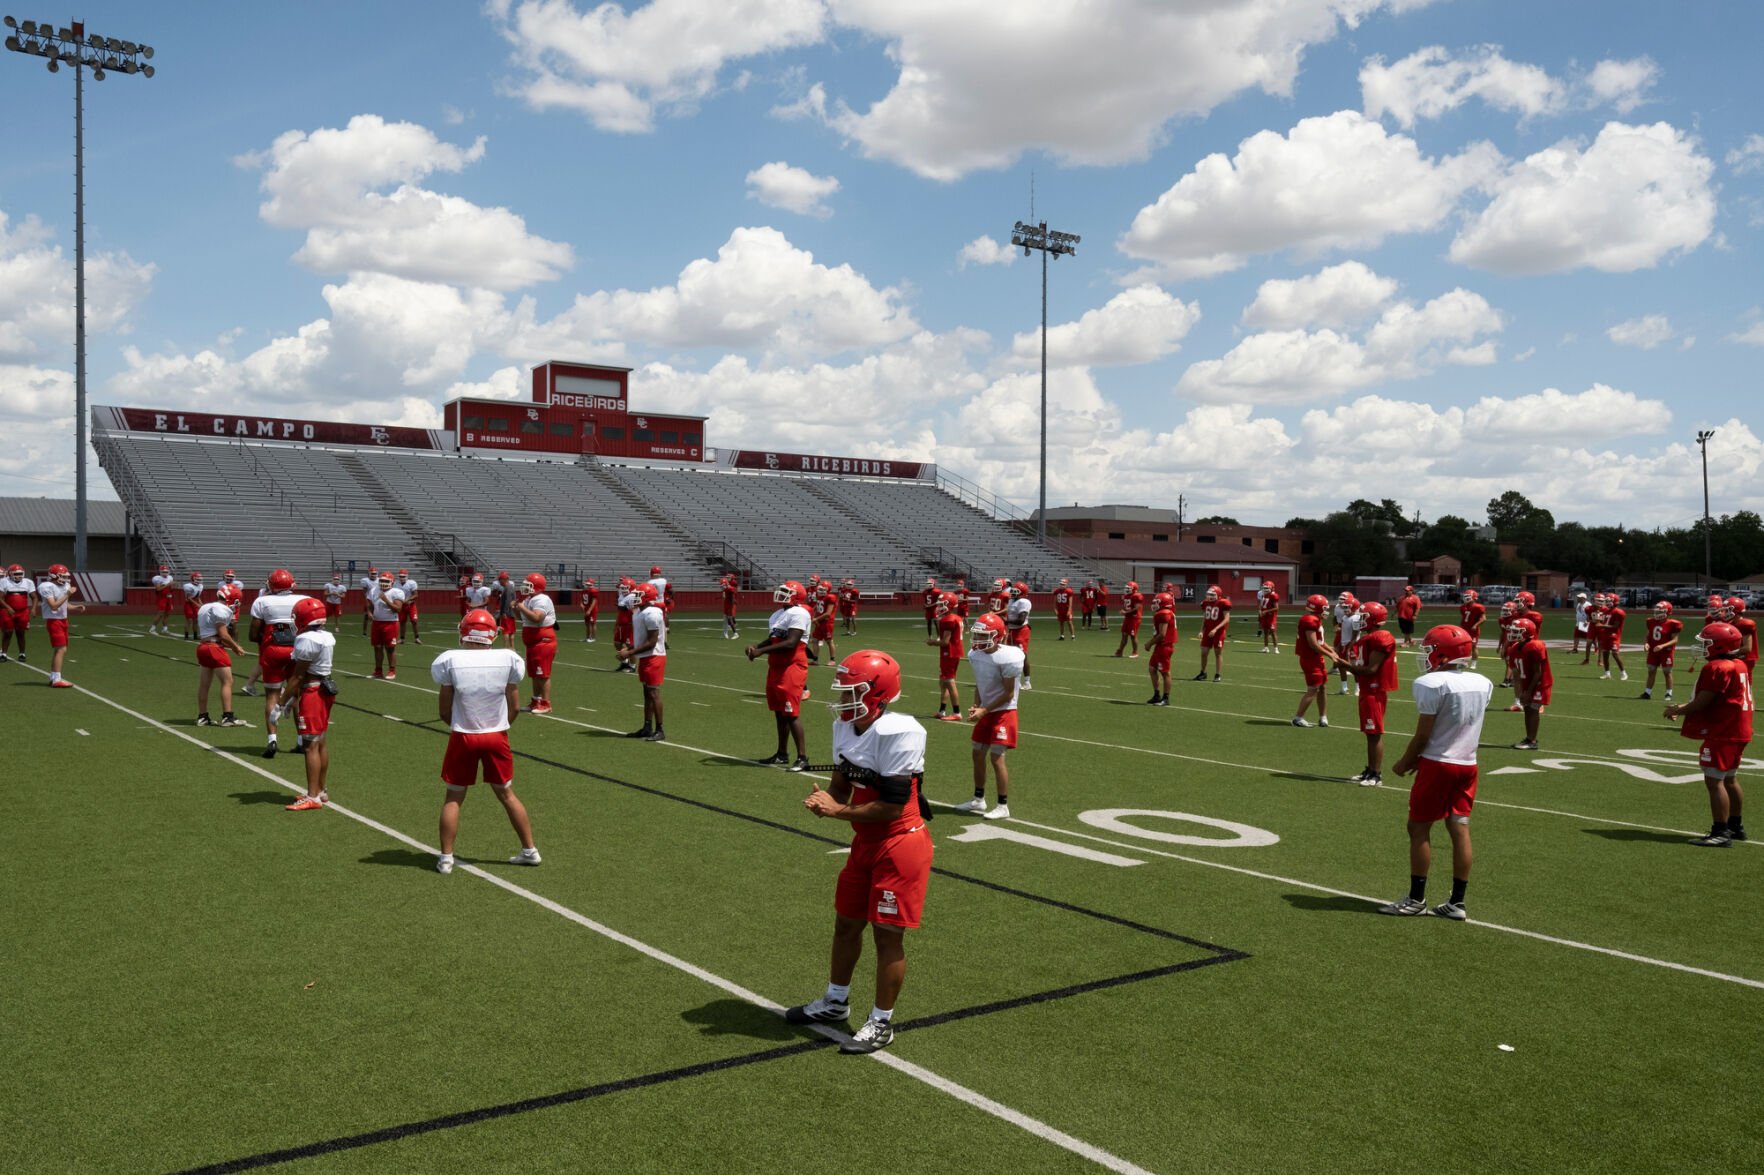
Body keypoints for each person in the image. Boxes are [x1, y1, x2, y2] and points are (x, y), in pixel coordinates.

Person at [787, 650, 933, 1055]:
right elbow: (841, 786)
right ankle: (835, 1002)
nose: (845, 700)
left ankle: (881, 1022)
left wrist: (839, 812)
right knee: (846, 924)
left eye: (853, 692)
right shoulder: (844, 726)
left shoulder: (901, 731)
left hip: (900, 842)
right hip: (865, 842)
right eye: (844, 691)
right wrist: (826, 801)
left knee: (888, 936)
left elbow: (890, 804)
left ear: (879, 693)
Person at [1377, 624, 1492, 920]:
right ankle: (1457, 902)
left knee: (1418, 828)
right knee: (1459, 828)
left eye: (1429, 650)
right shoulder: (1482, 682)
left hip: (1438, 763)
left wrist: (1405, 761)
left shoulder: (1432, 683)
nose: (1425, 655)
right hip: (1468, 763)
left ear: (1444, 652)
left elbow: (1424, 734)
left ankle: (1416, 899)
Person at [430, 608, 540, 874]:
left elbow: (444, 710)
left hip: (464, 735)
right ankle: (530, 850)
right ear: (492, 633)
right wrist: (498, 726)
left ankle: (446, 858)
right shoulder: (508, 658)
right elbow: (514, 706)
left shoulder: (450, 660)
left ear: (464, 631)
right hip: (496, 735)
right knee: (507, 794)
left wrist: (463, 726)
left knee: (454, 797)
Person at [1665, 622, 1753, 847]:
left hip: (1724, 730)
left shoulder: (1718, 667)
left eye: (1706, 643)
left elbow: (1704, 701)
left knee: (1714, 781)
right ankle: (1735, 826)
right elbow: (1715, 698)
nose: (1702, 647)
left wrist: (1679, 709)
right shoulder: (1739, 664)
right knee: (1730, 778)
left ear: (1719, 645)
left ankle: (1720, 832)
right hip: (1738, 728)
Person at [955, 611, 1023, 820]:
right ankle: (978, 799)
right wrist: (977, 704)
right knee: (977, 753)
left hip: (1004, 711)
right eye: (977, 635)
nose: (978, 640)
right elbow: (980, 683)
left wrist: (985, 709)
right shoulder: (976, 655)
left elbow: (1008, 693)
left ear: (998, 636)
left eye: (983, 636)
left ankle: (1003, 805)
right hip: (987, 709)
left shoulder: (1007, 657)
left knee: (996, 758)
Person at [272, 597, 338, 811]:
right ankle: (320, 791)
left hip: (313, 691)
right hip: (324, 689)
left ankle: (312, 797)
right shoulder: (326, 636)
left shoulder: (307, 639)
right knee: (320, 742)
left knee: (310, 745)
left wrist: (281, 703)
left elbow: (298, 677)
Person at [748, 581, 813, 771]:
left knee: (791, 713)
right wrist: (756, 647)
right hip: (776, 666)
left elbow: (791, 642)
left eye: (786, 592)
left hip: (792, 665)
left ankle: (803, 757)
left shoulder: (800, 613)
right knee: (779, 713)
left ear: (796, 595)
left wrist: (762, 652)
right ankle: (782, 754)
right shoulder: (777, 614)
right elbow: (774, 638)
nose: (781, 594)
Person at [247, 569, 310, 758]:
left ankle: (272, 740)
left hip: (272, 650)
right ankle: (301, 741)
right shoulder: (303, 599)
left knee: (271, 695)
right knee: (297, 694)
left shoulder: (262, 601)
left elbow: (252, 635)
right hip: (297, 649)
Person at [1346, 601, 1398, 785]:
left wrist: (1344, 665)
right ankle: (1370, 770)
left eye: (1363, 617)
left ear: (1373, 619)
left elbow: (1370, 669)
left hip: (1374, 691)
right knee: (1370, 733)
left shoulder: (1381, 637)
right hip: (1367, 689)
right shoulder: (1367, 638)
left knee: (1374, 733)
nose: (1359, 620)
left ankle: (1376, 774)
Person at [620, 582, 667, 741]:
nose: (635, 597)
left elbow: (652, 642)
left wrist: (630, 652)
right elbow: (642, 640)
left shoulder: (652, 613)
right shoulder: (640, 612)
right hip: (645, 656)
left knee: (653, 693)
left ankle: (660, 729)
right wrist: (631, 649)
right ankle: (647, 727)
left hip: (654, 655)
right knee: (647, 693)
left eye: (639, 594)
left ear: (647, 597)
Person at [193, 594, 250, 726]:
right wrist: (235, 647)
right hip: (214, 647)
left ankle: (202, 716)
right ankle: (227, 717)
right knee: (227, 682)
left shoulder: (206, 606)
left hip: (202, 646)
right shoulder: (221, 609)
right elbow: (223, 635)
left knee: (204, 684)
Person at [1291, 594, 1340, 728]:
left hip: (1316, 658)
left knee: (1323, 687)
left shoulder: (1315, 619)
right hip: (1310, 659)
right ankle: (1297, 718)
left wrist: (1331, 651)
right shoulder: (1310, 620)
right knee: (1313, 689)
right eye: (1324, 608)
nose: (1326, 611)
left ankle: (1323, 717)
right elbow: (1313, 644)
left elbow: (1320, 642)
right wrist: (1330, 655)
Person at [515, 572, 558, 713]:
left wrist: (521, 607)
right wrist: (516, 609)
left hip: (543, 641)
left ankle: (546, 703)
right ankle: (536, 701)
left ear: (537, 587)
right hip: (533, 641)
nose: (525, 587)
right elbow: (524, 619)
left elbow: (537, 618)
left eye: (529, 585)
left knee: (543, 674)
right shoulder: (529, 599)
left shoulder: (541, 599)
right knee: (534, 674)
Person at [37, 565, 84, 688]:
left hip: (63, 620)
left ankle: (54, 677)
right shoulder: (46, 586)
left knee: (61, 649)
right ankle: (56, 680)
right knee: (61, 649)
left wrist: (75, 607)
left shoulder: (65, 586)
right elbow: (54, 606)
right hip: (54, 621)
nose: (65, 579)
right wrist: (68, 593)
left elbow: (65, 604)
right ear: (53, 576)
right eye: (62, 576)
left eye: (66, 577)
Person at [1508, 617, 1551, 750]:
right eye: (1513, 631)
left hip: (1539, 682)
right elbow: (1515, 673)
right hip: (1526, 681)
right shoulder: (1514, 648)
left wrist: (1528, 691)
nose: (1513, 634)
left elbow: (1538, 672)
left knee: (1533, 710)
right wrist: (1520, 692)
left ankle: (1532, 741)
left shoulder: (1535, 646)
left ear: (1527, 633)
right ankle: (1529, 738)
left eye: (1517, 631)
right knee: (1527, 709)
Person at [927, 590, 965, 721]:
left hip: (949, 653)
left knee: (949, 682)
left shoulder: (948, 620)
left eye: (942, 604)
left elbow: (945, 642)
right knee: (943, 682)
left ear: (949, 605)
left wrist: (932, 642)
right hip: (954, 652)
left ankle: (957, 713)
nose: (939, 607)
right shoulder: (956, 618)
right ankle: (942, 710)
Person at [1640, 600, 1683, 701]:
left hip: (1666, 651)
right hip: (1653, 651)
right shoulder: (1651, 622)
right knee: (1651, 670)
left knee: (1667, 672)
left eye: (1661, 611)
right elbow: (1648, 635)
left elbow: (1675, 640)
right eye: (1657, 611)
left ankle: (1669, 693)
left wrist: (1662, 646)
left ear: (1667, 612)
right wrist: (1646, 643)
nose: (1658, 613)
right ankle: (1647, 692)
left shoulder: (1673, 624)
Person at [367, 571, 403, 679]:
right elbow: (369, 604)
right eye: (381, 580)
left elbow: (398, 609)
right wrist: (369, 613)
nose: (383, 583)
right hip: (377, 622)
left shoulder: (397, 592)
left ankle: (392, 671)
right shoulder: (374, 590)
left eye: (386, 581)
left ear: (392, 582)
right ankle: (378, 671)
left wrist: (386, 600)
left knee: (390, 648)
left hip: (390, 622)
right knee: (377, 647)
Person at [1147, 590, 1177, 706]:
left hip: (1164, 646)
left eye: (1157, 602)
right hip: (1160, 646)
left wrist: (1149, 643)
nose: (1154, 604)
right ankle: (1156, 695)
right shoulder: (1163, 612)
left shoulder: (1164, 613)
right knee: (1152, 668)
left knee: (1165, 672)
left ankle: (1166, 698)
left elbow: (1162, 634)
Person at [0, 562, 35, 663]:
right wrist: (8, 607)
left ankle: (22, 653)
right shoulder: (4, 582)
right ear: (10, 574)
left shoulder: (28, 582)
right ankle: (4, 653)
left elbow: (34, 597)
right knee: (8, 632)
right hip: (7, 611)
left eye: (20, 574)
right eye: (15, 574)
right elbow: (0, 598)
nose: (18, 576)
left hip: (22, 611)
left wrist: (33, 608)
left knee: (21, 633)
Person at [1195, 585, 1231, 681]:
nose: (1209, 596)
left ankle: (1217, 674)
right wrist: (1201, 630)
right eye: (1209, 594)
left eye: (1212, 594)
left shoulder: (1223, 603)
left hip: (1218, 632)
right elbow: (1205, 618)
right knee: (1204, 652)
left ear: (1218, 595)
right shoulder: (1206, 603)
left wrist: (1215, 629)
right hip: (1208, 631)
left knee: (1217, 653)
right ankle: (1203, 673)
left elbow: (1227, 619)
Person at [1004, 581, 1033, 690]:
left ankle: (1027, 682)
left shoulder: (1024, 602)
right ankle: (1016, 680)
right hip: (1012, 630)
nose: (1013, 593)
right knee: (1011, 656)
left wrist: (1006, 621)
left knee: (1022, 656)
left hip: (1021, 630)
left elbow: (1021, 620)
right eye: (1013, 591)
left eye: (1016, 592)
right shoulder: (1012, 600)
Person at [1332, 591, 1361, 694]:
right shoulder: (1344, 617)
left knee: (1354, 667)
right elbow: (1343, 633)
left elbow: (1354, 636)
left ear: (1353, 607)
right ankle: (1344, 687)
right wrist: (1340, 645)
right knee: (1341, 666)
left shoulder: (1356, 619)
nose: (1345, 609)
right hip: (1344, 644)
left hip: (1353, 646)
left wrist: (1349, 648)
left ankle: (1358, 688)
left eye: (1347, 607)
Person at [1599, 593, 1629, 682]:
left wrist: (1602, 625)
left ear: (1615, 602)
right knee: (1605, 654)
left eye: (1609, 601)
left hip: (1614, 636)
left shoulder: (1619, 612)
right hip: (1605, 635)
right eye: (1607, 601)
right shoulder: (1605, 611)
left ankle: (1623, 673)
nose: (1607, 602)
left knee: (1615, 654)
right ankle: (1607, 673)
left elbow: (1615, 626)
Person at [1728, 597, 1759, 682]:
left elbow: (1747, 648)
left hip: (1745, 659)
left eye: (1727, 610)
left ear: (1736, 611)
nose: (1725, 613)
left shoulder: (1745, 624)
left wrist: (1729, 652)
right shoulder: (1731, 623)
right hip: (1736, 657)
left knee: (1745, 686)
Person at [810, 580, 840, 667]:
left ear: (828, 590)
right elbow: (816, 607)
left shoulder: (830, 597)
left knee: (829, 641)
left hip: (827, 623)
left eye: (823, 590)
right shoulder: (820, 597)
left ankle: (832, 660)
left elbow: (828, 613)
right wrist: (810, 612)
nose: (821, 591)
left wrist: (816, 619)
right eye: (820, 589)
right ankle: (815, 660)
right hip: (819, 622)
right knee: (815, 640)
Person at [1113, 581, 1144, 659]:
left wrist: (1125, 612)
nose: (1126, 589)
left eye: (1128, 588)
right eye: (1126, 588)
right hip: (1128, 617)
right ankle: (1120, 651)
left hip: (1134, 618)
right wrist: (1125, 612)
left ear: (1134, 589)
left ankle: (1135, 652)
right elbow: (1128, 606)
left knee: (1133, 635)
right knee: (1124, 635)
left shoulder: (1137, 596)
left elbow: (1136, 609)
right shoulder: (1127, 596)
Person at [612, 576, 637, 669]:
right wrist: (617, 623)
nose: (622, 590)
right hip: (621, 624)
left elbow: (634, 611)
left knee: (630, 646)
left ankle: (632, 665)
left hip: (629, 625)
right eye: (622, 588)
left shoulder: (633, 596)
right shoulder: (623, 596)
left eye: (625, 588)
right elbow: (620, 610)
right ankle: (624, 662)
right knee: (617, 643)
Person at [1458, 588, 1485, 665]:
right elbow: (1463, 618)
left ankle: (1474, 663)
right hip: (1464, 629)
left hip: (1473, 631)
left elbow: (1483, 618)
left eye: (1468, 596)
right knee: (1463, 647)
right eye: (1465, 596)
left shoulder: (1478, 607)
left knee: (1473, 646)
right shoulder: (1463, 607)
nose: (1466, 598)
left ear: (1474, 597)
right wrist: (1460, 627)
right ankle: (1464, 662)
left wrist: (1476, 625)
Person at [396, 569, 423, 645]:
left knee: (414, 621)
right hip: (401, 605)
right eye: (400, 576)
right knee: (402, 622)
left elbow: (415, 594)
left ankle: (417, 638)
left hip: (410, 605)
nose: (402, 578)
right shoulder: (396, 584)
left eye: (403, 576)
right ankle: (402, 638)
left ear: (407, 576)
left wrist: (407, 599)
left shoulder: (411, 583)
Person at [150, 564, 176, 634]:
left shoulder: (170, 577)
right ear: (160, 572)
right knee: (160, 613)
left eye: (166, 571)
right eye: (163, 571)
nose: (165, 573)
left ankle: (165, 628)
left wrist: (173, 585)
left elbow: (171, 588)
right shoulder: (157, 578)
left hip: (168, 597)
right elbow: (158, 589)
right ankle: (152, 628)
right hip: (162, 597)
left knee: (167, 614)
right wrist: (167, 585)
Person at [1257, 583, 1281, 653]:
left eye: (1267, 588)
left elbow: (1276, 608)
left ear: (1272, 588)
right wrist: (1260, 611)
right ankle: (1266, 647)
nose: (1265, 590)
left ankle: (1276, 648)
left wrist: (1266, 611)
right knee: (1265, 632)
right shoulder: (1264, 595)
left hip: (1271, 617)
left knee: (1273, 632)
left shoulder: (1274, 596)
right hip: (1265, 616)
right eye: (1264, 588)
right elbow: (1262, 605)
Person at [182, 570, 205, 640]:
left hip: (195, 603)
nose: (199, 581)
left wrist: (202, 604)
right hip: (189, 604)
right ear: (193, 579)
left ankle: (195, 635)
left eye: (200, 579)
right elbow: (188, 598)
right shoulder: (188, 586)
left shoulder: (200, 586)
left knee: (196, 620)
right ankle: (186, 635)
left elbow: (197, 597)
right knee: (188, 620)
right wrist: (198, 605)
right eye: (197, 579)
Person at [359, 566, 379, 638]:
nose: (373, 575)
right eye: (372, 573)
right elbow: (364, 592)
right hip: (369, 600)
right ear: (369, 573)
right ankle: (364, 632)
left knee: (378, 616)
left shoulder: (379, 580)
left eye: (374, 573)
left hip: (377, 601)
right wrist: (367, 601)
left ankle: (376, 631)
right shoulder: (365, 580)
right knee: (366, 616)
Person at [582, 576, 602, 643]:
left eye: (589, 584)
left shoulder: (593, 591)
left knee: (592, 623)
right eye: (587, 584)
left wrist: (589, 610)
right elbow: (583, 600)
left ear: (592, 584)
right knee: (587, 624)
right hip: (587, 608)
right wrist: (582, 605)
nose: (588, 586)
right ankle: (587, 637)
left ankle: (593, 638)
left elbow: (594, 601)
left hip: (592, 609)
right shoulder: (584, 591)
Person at [1571, 590, 1591, 655]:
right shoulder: (1579, 604)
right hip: (1578, 623)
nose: (1578, 598)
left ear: (1583, 598)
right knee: (1576, 636)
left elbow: (1590, 614)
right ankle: (1575, 648)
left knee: (1589, 637)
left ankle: (1596, 648)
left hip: (1585, 623)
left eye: (1579, 597)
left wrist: (1587, 621)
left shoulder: (1588, 605)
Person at [719, 573, 738, 640]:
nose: (727, 578)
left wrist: (726, 586)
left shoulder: (733, 584)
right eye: (727, 577)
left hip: (731, 604)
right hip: (727, 603)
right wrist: (724, 588)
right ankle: (725, 633)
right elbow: (723, 589)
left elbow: (731, 590)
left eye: (728, 577)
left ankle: (735, 633)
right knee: (725, 618)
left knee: (730, 618)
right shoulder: (728, 584)